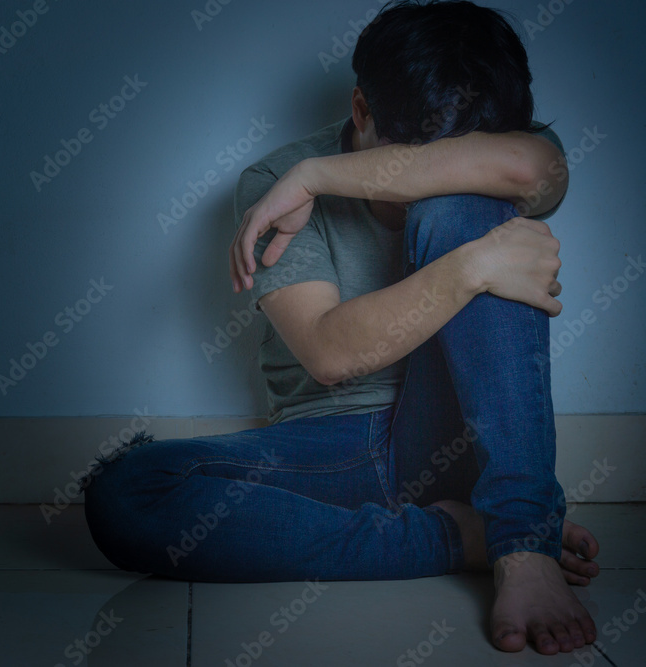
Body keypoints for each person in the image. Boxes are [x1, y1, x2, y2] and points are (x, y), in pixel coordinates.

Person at [82, 0, 599, 655]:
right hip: (336, 448)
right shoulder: (270, 182)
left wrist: (319, 177)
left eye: (461, 153)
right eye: (416, 156)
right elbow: (328, 352)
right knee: (128, 495)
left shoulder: (509, 151)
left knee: (461, 210)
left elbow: (527, 169)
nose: (421, 179)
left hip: (455, 435)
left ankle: (523, 543)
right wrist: (472, 268)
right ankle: (460, 537)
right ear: (361, 110)